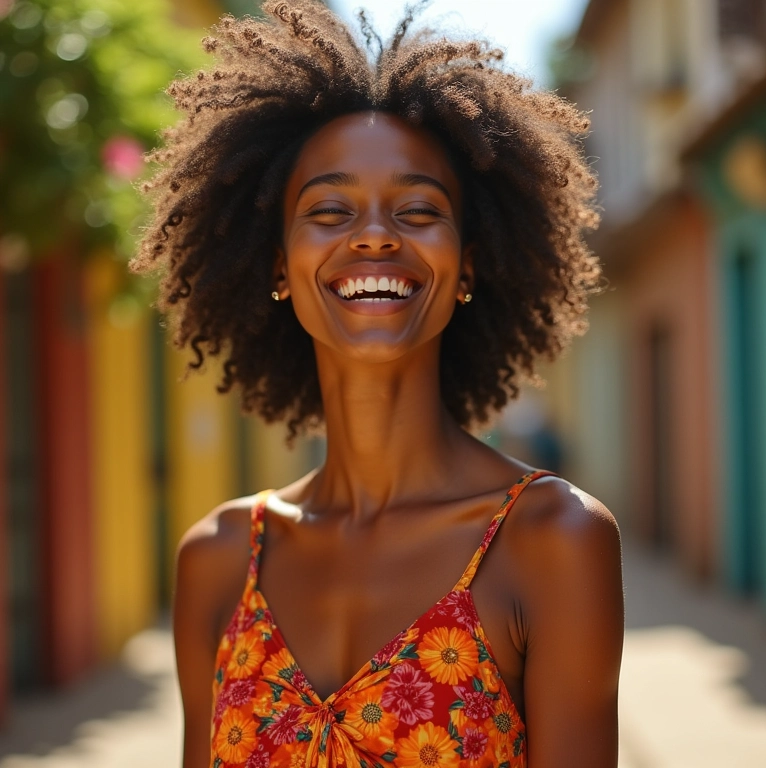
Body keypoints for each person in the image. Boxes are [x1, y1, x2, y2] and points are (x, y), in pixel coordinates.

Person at [132, 2, 624, 766]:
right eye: (329, 209)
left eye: (418, 210)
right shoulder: (219, 558)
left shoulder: (552, 540)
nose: (373, 235)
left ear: (466, 265)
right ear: (277, 265)